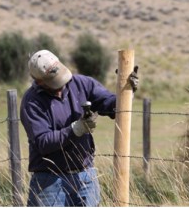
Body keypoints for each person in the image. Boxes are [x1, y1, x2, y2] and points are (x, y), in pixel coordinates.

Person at [20, 49, 138, 207]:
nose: (61, 86)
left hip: (85, 177)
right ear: (39, 81)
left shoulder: (82, 83)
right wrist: (75, 129)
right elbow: (43, 143)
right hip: (49, 181)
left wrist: (126, 91)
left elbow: (112, 106)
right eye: (54, 82)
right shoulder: (31, 102)